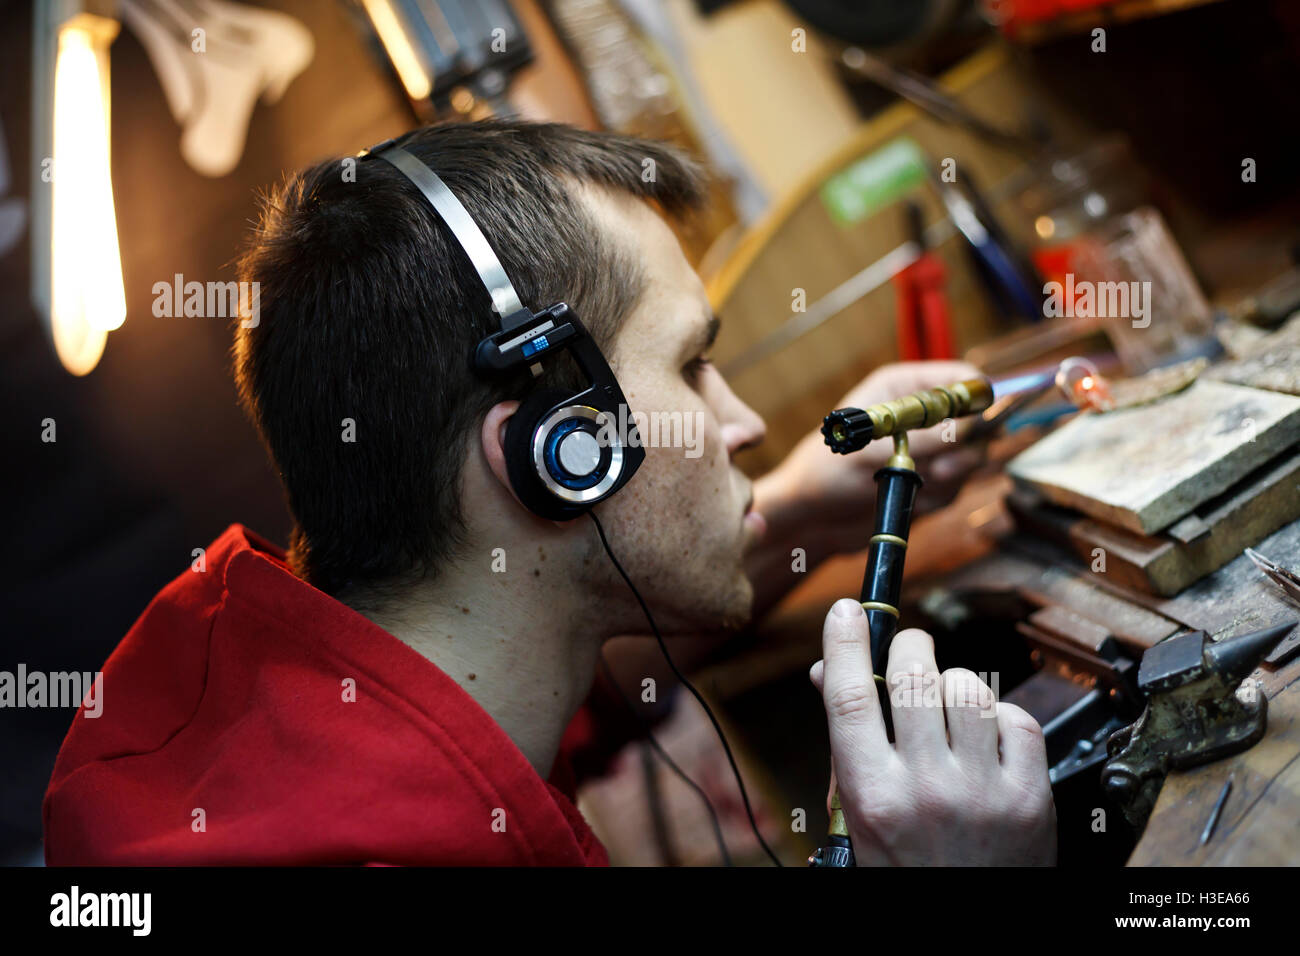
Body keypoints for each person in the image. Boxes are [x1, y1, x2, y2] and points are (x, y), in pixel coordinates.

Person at [43, 119, 1054, 866]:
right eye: (694, 364)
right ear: (559, 448)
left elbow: (544, 686)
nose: (742, 422)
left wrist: (784, 510)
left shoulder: (282, 696)